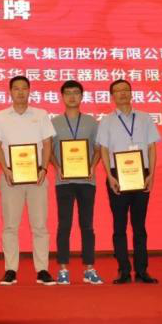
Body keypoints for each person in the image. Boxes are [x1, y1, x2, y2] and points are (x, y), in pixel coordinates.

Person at [0, 76, 56, 286]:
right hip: (11, 177)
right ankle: (10, 269)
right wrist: (5, 169)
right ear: (10, 92)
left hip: (37, 177)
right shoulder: (0, 116)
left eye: (24, 88)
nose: (20, 92)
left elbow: (47, 143)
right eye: (16, 88)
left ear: (29, 91)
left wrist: (44, 168)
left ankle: (42, 269)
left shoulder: (41, 114)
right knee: (10, 226)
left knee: (40, 225)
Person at [96, 79, 160, 284]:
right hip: (117, 175)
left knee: (139, 226)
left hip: (142, 173)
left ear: (132, 93)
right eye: (117, 91)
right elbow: (104, 149)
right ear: (112, 96)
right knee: (119, 225)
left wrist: (151, 175)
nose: (122, 93)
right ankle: (123, 270)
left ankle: (142, 271)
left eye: (125, 90)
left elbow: (152, 147)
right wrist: (109, 176)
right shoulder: (106, 121)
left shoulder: (145, 118)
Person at [50, 80, 103, 285]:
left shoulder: (92, 122)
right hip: (63, 182)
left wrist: (92, 167)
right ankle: (63, 269)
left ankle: (89, 268)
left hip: (87, 181)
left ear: (82, 96)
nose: (72, 96)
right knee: (64, 225)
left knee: (87, 225)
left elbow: (98, 149)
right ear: (62, 97)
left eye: (76, 93)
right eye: (68, 93)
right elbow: (48, 151)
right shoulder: (54, 122)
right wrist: (58, 167)